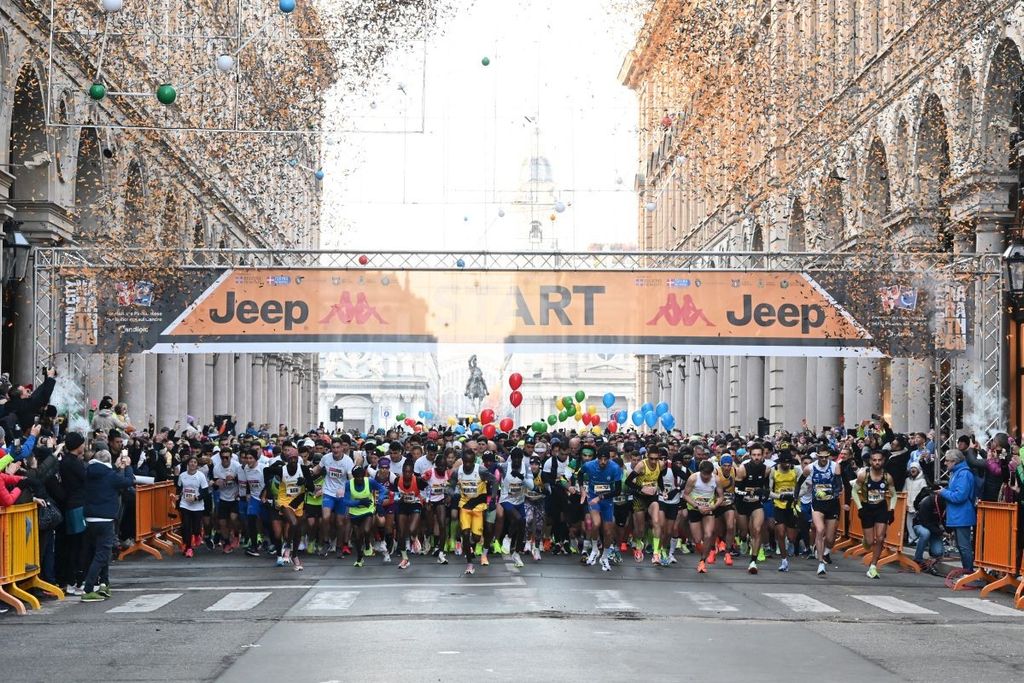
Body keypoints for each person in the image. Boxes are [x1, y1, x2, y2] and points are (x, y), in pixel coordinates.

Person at [80, 449, 135, 602]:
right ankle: (88, 589)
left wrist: (116, 468)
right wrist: (127, 467)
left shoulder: (88, 471)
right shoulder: (110, 475)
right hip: (105, 519)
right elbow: (128, 481)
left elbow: (109, 478)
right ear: (108, 461)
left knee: (98, 553)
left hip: (90, 518)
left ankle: (104, 583)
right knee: (102, 554)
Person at [852, 450, 898, 579]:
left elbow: (894, 495)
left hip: (881, 507)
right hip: (867, 508)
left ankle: (873, 566)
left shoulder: (887, 477)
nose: (877, 462)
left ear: (883, 461)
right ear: (870, 461)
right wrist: (860, 508)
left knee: (880, 538)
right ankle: (866, 541)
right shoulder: (863, 475)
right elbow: (854, 492)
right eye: (874, 460)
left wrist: (892, 510)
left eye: (879, 460)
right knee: (869, 541)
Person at [454, 447, 498, 575]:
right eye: (466, 462)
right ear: (462, 461)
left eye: (470, 462)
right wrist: (451, 493)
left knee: (477, 537)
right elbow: (450, 485)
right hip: (465, 506)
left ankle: (473, 544)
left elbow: (495, 481)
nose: (468, 464)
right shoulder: (458, 471)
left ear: (474, 461)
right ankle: (469, 564)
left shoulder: (481, 470)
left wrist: (493, 497)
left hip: (478, 507)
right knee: (465, 534)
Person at [578, 445, 621, 571]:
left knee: (608, 531)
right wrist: (582, 490)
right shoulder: (589, 465)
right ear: (597, 459)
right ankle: (594, 550)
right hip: (593, 498)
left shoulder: (615, 468)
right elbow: (580, 474)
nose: (603, 462)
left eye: (605, 459)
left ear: (609, 459)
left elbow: (617, 491)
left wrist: (601, 497)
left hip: (607, 500)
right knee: (596, 523)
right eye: (600, 459)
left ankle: (605, 557)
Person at [804, 443, 841, 577]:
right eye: (821, 457)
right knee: (820, 530)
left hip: (832, 504)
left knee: (830, 538)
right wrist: (796, 496)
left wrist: (834, 492)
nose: (824, 459)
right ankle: (821, 563)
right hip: (818, 504)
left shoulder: (835, 466)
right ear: (817, 456)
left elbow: (839, 485)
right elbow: (800, 482)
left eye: (826, 457)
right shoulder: (810, 467)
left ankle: (824, 551)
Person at [939, 448, 977, 573]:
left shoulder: (963, 474)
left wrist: (943, 492)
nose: (945, 463)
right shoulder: (958, 473)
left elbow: (960, 496)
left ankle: (968, 571)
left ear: (954, 461)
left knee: (964, 546)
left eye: (947, 461)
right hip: (959, 514)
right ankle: (967, 570)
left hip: (962, 514)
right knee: (961, 546)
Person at [683, 460, 722, 573]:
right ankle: (704, 551)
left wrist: (713, 507)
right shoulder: (693, 478)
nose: (706, 477)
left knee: (708, 534)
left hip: (708, 509)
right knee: (697, 539)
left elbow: (721, 497)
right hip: (694, 509)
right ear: (700, 471)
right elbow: (685, 495)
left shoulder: (716, 479)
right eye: (704, 474)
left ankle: (702, 561)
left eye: (708, 474)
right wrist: (697, 506)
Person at [735, 443, 769, 573]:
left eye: (759, 455)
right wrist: (749, 493)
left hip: (756, 504)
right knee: (744, 531)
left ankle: (753, 561)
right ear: (750, 455)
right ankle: (744, 539)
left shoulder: (766, 470)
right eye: (754, 455)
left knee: (757, 530)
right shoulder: (742, 469)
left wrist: (764, 493)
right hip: (742, 503)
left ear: (763, 455)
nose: (756, 457)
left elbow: (766, 488)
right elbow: (736, 490)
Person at [769, 451, 800, 573]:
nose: (786, 465)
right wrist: (779, 496)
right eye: (784, 463)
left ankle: (791, 543)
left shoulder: (796, 470)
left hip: (792, 506)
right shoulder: (774, 471)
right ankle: (784, 560)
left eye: (788, 463)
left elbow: (803, 487)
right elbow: (769, 491)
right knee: (781, 533)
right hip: (779, 505)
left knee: (791, 537)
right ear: (780, 462)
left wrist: (795, 495)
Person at [174, 455, 209, 559]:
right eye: (191, 462)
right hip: (185, 504)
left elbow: (205, 491)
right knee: (186, 526)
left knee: (196, 528)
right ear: (188, 464)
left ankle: (198, 534)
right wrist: (177, 495)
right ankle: (189, 547)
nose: (192, 464)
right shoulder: (182, 475)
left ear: (197, 465)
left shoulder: (200, 476)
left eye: (195, 462)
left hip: (197, 505)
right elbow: (179, 488)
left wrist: (196, 498)